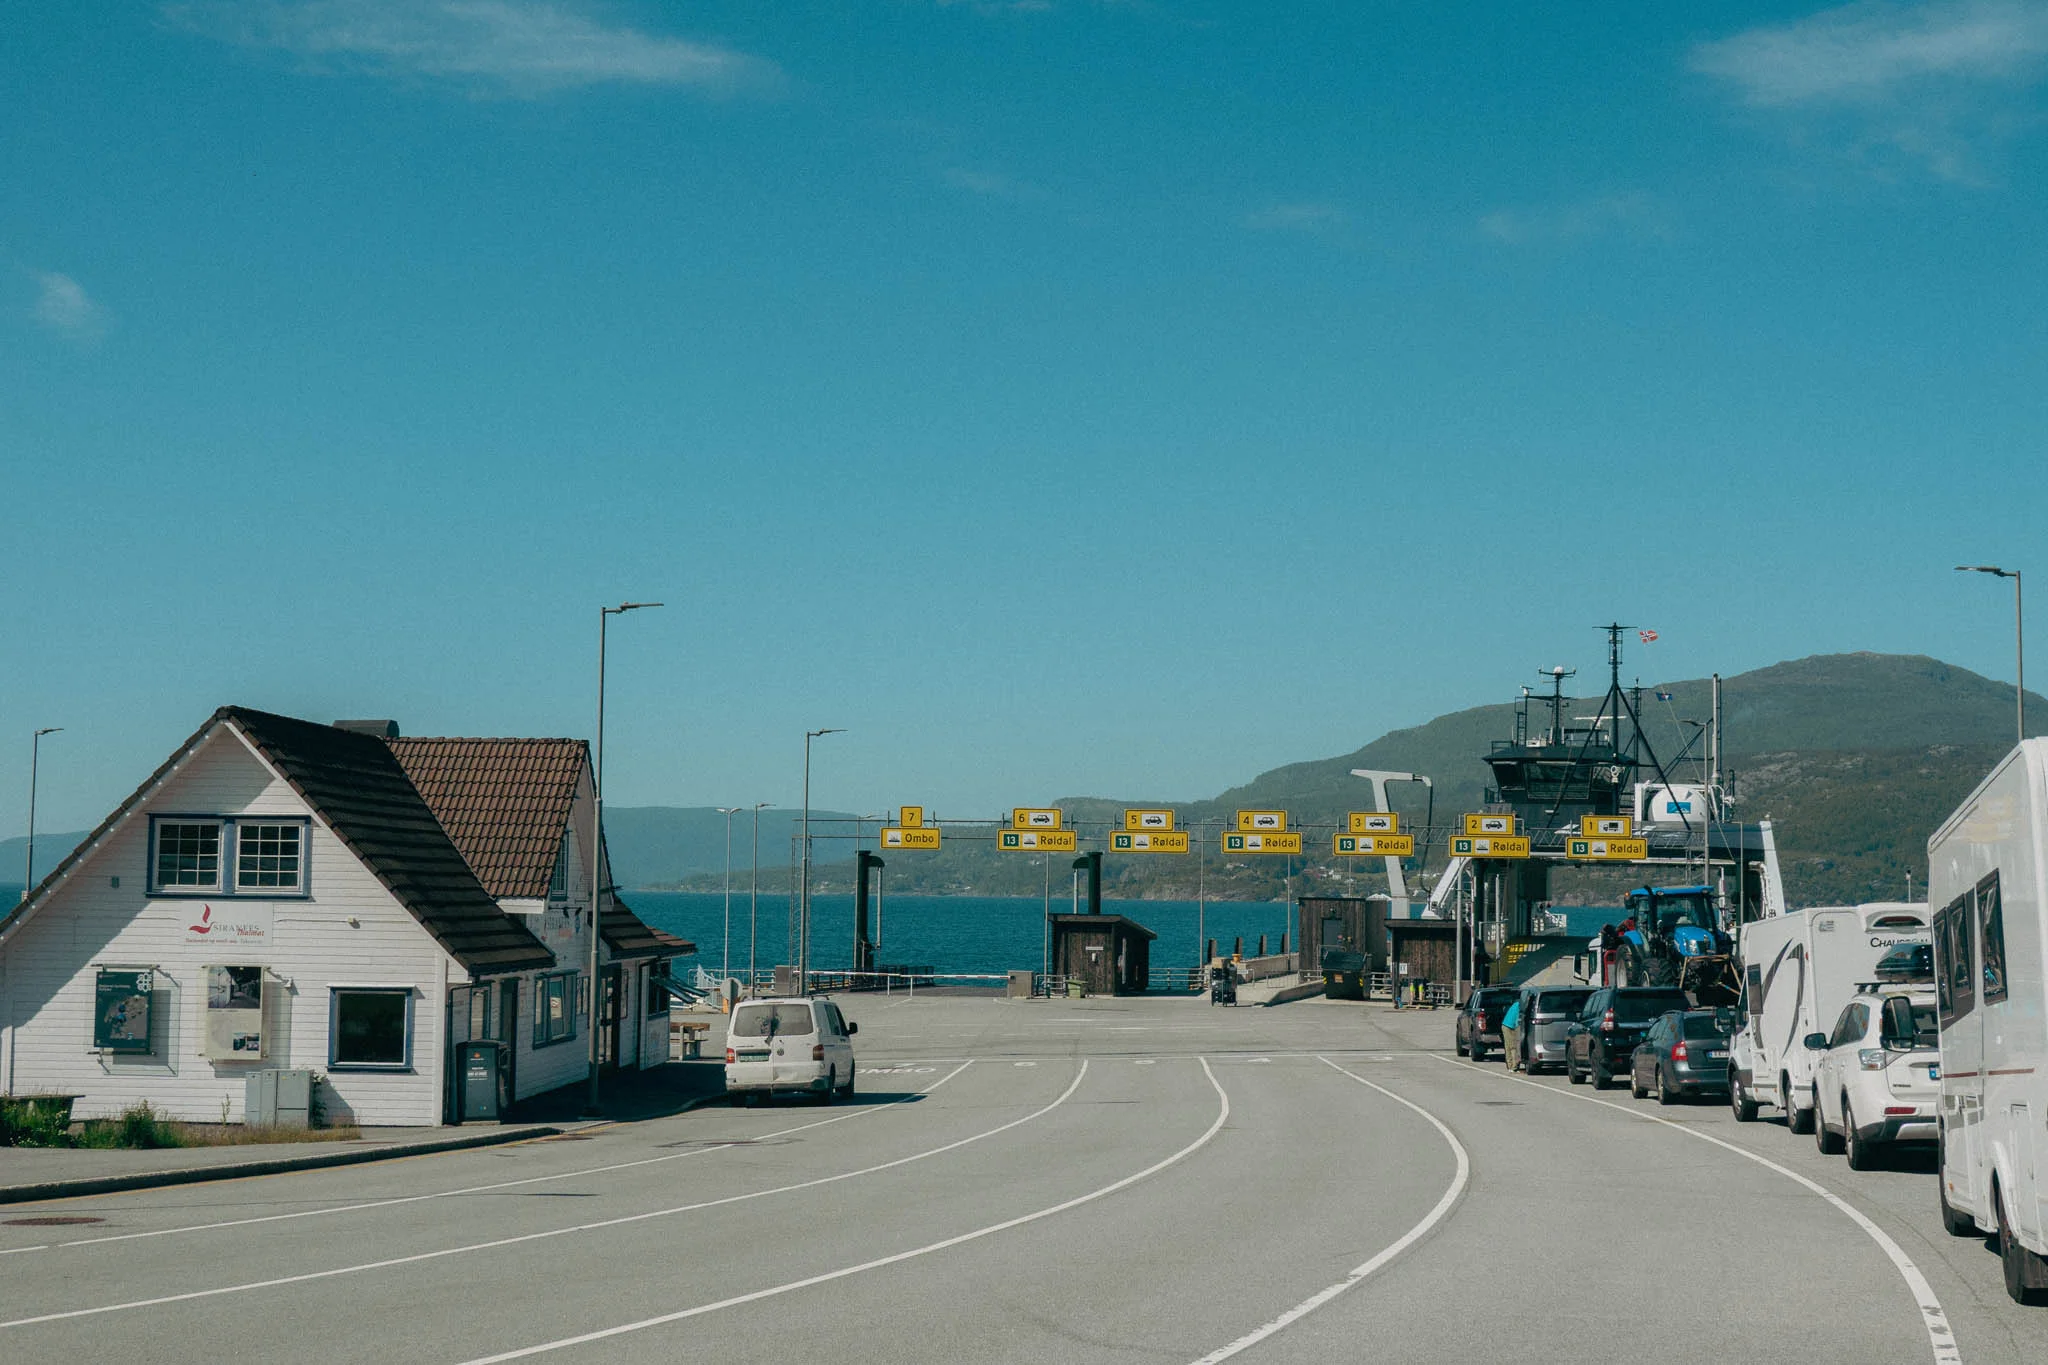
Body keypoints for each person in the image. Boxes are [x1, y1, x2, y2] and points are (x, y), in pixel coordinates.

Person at [1500, 994, 1522, 1069]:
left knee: (1508, 1046)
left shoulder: (1516, 1004)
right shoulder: (1519, 1007)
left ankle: (1510, 1066)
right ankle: (1514, 1066)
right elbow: (1517, 1022)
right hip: (1509, 1027)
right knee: (1513, 1046)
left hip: (1504, 1025)